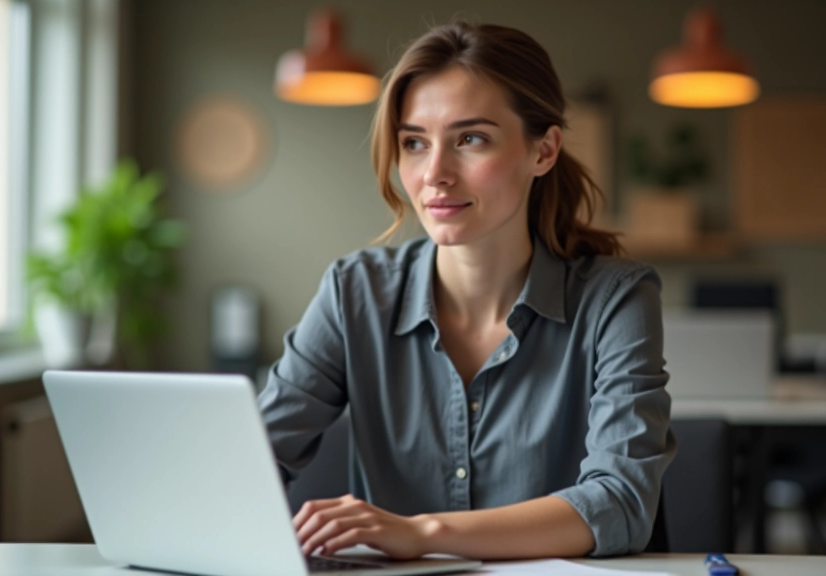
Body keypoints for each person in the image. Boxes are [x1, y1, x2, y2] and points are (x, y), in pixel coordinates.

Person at [257, 21, 675, 560]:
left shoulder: (618, 300)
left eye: (470, 139)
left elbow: (620, 502)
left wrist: (424, 533)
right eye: (414, 143)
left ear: (544, 151)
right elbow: (256, 457)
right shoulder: (353, 292)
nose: (435, 173)